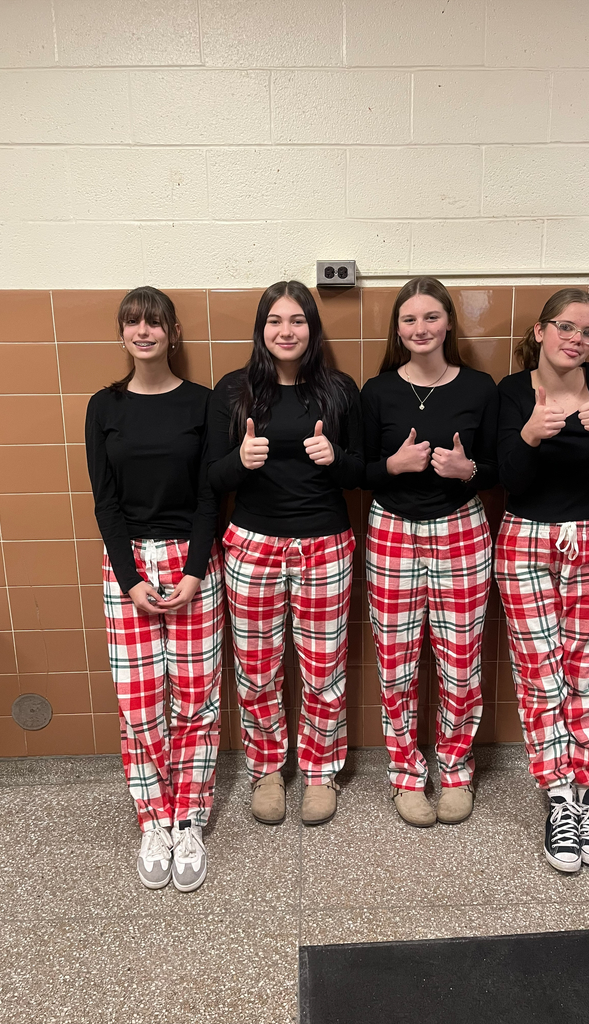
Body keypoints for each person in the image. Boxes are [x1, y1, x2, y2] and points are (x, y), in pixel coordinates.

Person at [207, 280, 363, 826]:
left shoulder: (338, 390)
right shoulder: (233, 391)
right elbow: (211, 477)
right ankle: (267, 770)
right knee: (257, 667)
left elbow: (362, 473)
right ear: (261, 328)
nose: (286, 330)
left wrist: (335, 457)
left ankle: (320, 771)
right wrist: (240, 460)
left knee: (324, 667)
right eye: (275, 320)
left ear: (312, 329)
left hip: (325, 544)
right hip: (252, 545)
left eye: (297, 320)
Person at [85, 287, 222, 892]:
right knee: (139, 704)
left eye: (154, 323)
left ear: (173, 332)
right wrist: (130, 578)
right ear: (122, 333)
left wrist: (194, 571)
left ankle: (188, 818)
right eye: (133, 323)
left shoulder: (202, 402)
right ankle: (153, 821)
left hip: (194, 560)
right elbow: (105, 502)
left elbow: (210, 495)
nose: (143, 332)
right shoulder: (103, 406)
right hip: (130, 565)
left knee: (196, 699)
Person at [494, 288, 589, 873]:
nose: (576, 339)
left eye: (587, 331)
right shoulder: (511, 391)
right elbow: (509, 479)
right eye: (565, 327)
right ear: (541, 330)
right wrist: (529, 434)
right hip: (525, 540)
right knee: (540, 673)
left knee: (587, 669)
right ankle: (558, 797)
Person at [361, 277, 498, 827]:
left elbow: (501, 469)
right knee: (395, 661)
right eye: (409, 320)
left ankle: (457, 770)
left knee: (460, 661)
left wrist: (469, 470)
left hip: (461, 529)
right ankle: (404, 773)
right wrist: (392, 466)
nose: (421, 329)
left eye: (431, 317)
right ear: (397, 329)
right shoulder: (377, 391)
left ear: (448, 323)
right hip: (392, 529)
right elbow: (358, 470)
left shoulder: (480, 388)